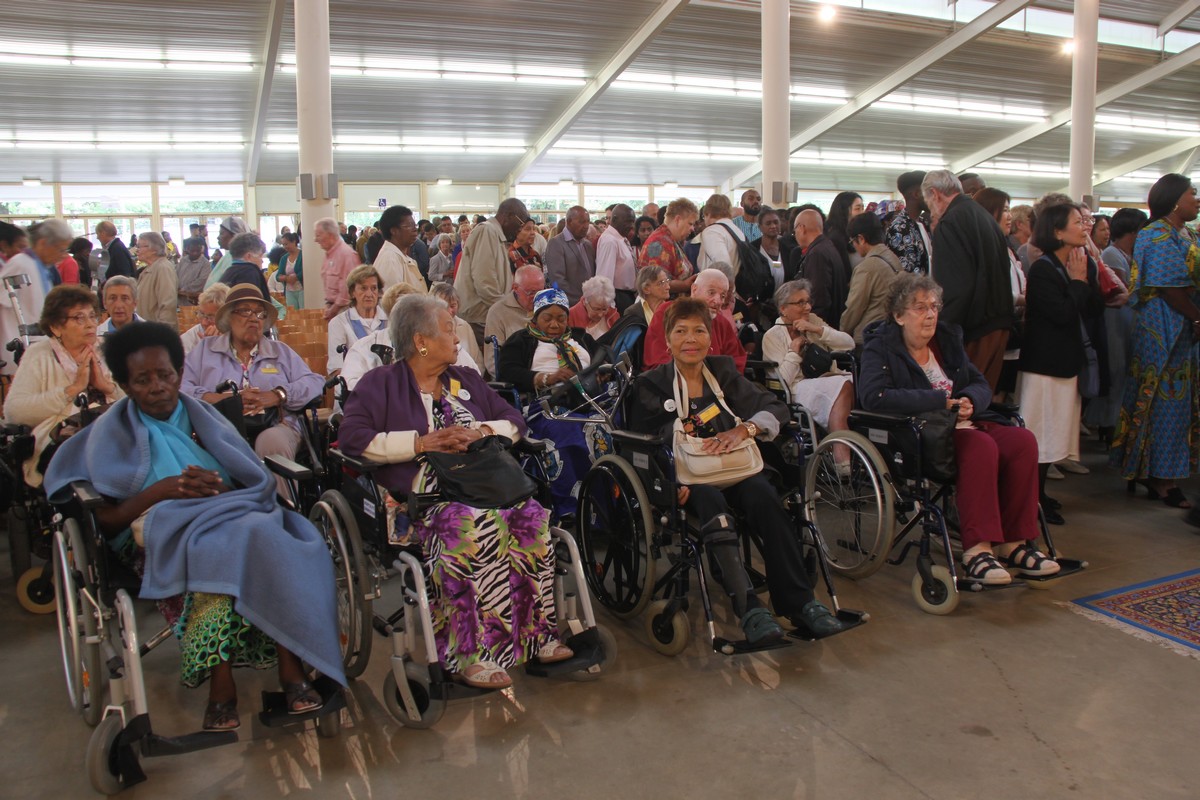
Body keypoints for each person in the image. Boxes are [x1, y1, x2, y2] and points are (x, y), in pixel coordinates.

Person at [44, 322, 345, 731]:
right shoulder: (112, 433)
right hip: (160, 531)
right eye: (142, 380)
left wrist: (219, 488)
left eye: (165, 375)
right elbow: (108, 521)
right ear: (125, 385)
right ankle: (225, 687)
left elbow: (250, 482)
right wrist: (165, 489)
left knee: (277, 541)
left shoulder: (205, 419)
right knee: (219, 555)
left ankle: (290, 667)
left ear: (179, 373)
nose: (157, 386)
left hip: (230, 515)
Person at [339, 293, 574, 689]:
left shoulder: (465, 379)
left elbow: (514, 420)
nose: (457, 337)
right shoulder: (380, 383)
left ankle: (536, 636)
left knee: (532, 522)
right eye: (449, 329)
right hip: (423, 497)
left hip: (484, 484)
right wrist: (420, 443)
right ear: (421, 341)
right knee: (470, 527)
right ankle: (470, 652)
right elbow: (352, 438)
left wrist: (481, 431)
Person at [628, 297, 843, 642]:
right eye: (680, 331)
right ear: (667, 340)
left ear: (710, 338)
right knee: (712, 503)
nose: (690, 339)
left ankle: (799, 602)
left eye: (699, 331)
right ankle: (750, 609)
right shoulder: (651, 385)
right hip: (688, 478)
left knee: (765, 498)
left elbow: (773, 407)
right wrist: (666, 485)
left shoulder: (723, 372)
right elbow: (641, 444)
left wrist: (745, 429)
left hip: (735, 468)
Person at [859, 274, 1059, 584]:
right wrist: (940, 400)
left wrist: (969, 401)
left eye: (934, 306)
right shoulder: (880, 348)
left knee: (1022, 441)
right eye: (920, 308)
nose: (930, 314)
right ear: (898, 315)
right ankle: (977, 549)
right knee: (980, 446)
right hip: (921, 434)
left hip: (965, 423)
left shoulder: (946, 340)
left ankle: (1014, 543)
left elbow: (979, 382)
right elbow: (874, 397)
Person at [181, 284, 324, 490]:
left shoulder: (279, 351)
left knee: (271, 442)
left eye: (259, 313)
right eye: (245, 311)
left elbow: (314, 382)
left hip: (275, 424)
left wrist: (278, 395)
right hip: (220, 426)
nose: (254, 318)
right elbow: (181, 387)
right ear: (229, 317)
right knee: (221, 445)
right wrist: (223, 400)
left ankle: (278, 507)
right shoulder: (206, 350)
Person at [1113, 174, 1200, 509]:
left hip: (1184, 327)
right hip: (1163, 328)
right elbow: (1168, 285)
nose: (1197, 199)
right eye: (1192, 193)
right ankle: (1160, 478)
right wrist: (1196, 317)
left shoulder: (1188, 233)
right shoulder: (1155, 233)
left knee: (1181, 403)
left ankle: (1164, 472)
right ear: (1175, 200)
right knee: (1164, 402)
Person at [1017, 203, 1104, 523]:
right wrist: (1077, 282)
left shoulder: (1080, 261)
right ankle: (1032, 499)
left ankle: (1040, 495)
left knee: (1055, 434)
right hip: (1045, 366)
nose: (1085, 227)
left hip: (1067, 363)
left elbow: (1094, 309)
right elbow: (1062, 314)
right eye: (1078, 222)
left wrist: (1088, 274)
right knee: (1040, 433)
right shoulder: (1043, 269)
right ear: (1057, 231)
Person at [3, 285, 121, 485]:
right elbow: (13, 411)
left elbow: (134, 402)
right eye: (79, 318)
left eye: (92, 316)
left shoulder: (107, 351)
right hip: (61, 441)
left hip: (111, 432)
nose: (90, 324)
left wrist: (106, 387)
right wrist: (72, 390)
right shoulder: (39, 355)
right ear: (56, 327)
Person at [497, 288, 597, 518]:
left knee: (609, 426)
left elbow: (604, 359)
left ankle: (608, 500)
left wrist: (599, 375)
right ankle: (571, 506)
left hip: (587, 400)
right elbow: (507, 371)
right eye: (547, 318)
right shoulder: (521, 341)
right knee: (569, 432)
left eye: (561, 318)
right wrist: (545, 378)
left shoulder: (581, 338)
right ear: (535, 318)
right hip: (546, 403)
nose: (554, 324)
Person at [921, 170, 1013, 390]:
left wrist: (940, 333)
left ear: (935, 194)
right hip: (999, 322)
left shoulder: (951, 222)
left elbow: (954, 287)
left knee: (965, 399)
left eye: (928, 202)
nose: (931, 209)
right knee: (983, 396)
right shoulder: (983, 216)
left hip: (975, 328)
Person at [761, 280, 855, 461]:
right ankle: (841, 456)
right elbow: (783, 381)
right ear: (783, 309)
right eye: (800, 303)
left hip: (824, 378)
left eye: (808, 301)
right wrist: (794, 352)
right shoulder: (772, 336)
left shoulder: (813, 321)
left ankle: (842, 445)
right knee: (843, 385)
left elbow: (849, 344)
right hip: (796, 387)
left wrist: (817, 330)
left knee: (857, 382)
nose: (808, 307)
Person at [643, 269, 748, 372]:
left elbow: (736, 361)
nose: (717, 301)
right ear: (694, 290)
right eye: (711, 293)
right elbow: (658, 359)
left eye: (723, 296)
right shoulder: (668, 312)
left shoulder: (721, 323)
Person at [0, 219, 70, 372]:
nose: (63, 256)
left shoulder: (43, 268)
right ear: (43, 243)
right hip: (18, 347)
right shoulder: (20, 264)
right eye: (60, 250)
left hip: (38, 345)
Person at [455, 199, 531, 337]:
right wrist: (506, 310)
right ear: (508, 216)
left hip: (488, 313)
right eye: (520, 224)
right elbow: (484, 281)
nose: (520, 229)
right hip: (479, 317)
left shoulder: (496, 235)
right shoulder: (487, 231)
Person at [840, 212, 902, 345]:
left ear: (861, 239)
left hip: (870, 337)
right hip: (891, 331)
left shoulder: (867, 268)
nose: (854, 246)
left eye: (852, 241)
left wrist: (841, 332)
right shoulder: (892, 257)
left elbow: (854, 308)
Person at [483, 264, 544, 377]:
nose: (536, 298)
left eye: (540, 292)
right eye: (531, 293)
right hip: (515, 378)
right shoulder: (498, 312)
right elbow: (492, 362)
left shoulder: (547, 307)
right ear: (515, 288)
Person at [790, 209, 847, 328]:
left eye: (794, 231)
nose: (795, 236)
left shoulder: (817, 254)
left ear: (802, 228)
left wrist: (811, 329)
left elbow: (818, 298)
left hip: (822, 327)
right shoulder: (827, 247)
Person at [327, 265, 388, 374]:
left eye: (374, 288)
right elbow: (336, 369)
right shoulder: (338, 323)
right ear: (352, 293)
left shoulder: (391, 321)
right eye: (363, 288)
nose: (369, 294)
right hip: (354, 382)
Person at [638, 197, 699, 296]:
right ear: (678, 220)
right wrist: (684, 285)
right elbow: (657, 283)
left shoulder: (670, 239)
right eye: (690, 223)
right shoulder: (659, 243)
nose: (692, 228)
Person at [544, 205, 595, 305]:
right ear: (569, 221)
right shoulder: (556, 243)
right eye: (581, 222)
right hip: (570, 304)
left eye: (588, 221)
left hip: (590, 303)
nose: (586, 226)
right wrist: (580, 301)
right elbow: (557, 280)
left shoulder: (588, 245)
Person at [886, 171, 932, 276]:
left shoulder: (923, 222)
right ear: (917, 194)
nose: (933, 196)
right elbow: (907, 273)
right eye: (929, 192)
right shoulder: (899, 228)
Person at [314, 217, 360, 320]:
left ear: (330, 235)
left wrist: (334, 309)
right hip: (334, 310)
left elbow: (348, 289)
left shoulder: (347, 255)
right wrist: (328, 306)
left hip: (345, 312)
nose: (315, 240)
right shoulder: (329, 255)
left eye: (318, 235)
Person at [430, 281, 484, 369]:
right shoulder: (429, 329)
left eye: (453, 306)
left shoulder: (464, 326)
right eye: (444, 306)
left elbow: (477, 360)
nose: (449, 311)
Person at [373, 205, 425, 293]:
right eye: (409, 226)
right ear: (393, 231)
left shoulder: (401, 256)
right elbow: (392, 298)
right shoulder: (390, 259)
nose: (415, 230)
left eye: (415, 225)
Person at [596, 204, 638, 312]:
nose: (631, 226)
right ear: (614, 219)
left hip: (627, 297)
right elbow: (604, 277)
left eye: (633, 222)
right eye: (628, 221)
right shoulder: (609, 241)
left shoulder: (621, 238)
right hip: (617, 299)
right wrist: (610, 307)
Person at [134, 232, 179, 330]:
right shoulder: (149, 269)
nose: (137, 250)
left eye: (139, 246)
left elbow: (168, 304)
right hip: (146, 330)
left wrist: (162, 332)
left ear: (154, 249)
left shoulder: (163, 268)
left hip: (158, 333)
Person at [750, 208, 795, 291]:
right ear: (760, 227)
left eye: (776, 222)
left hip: (784, 296)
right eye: (768, 223)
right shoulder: (752, 249)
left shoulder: (788, 249)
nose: (773, 226)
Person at [219, 233, 272, 302]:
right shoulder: (250, 272)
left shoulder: (228, 272)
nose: (262, 261)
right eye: (260, 256)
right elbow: (251, 304)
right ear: (249, 256)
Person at [697, 193, 744, 273]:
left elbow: (723, 266)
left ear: (708, 213)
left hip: (719, 280)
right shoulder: (737, 231)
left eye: (704, 217)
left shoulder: (712, 231)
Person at [180, 283, 230, 354]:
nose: (204, 322)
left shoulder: (239, 335)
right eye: (201, 314)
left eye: (211, 317)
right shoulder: (192, 336)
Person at [203, 216, 250, 289]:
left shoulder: (238, 259)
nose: (218, 237)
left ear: (234, 236)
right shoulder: (228, 256)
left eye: (221, 233)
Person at [824, 191, 864, 276]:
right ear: (844, 211)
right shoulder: (836, 238)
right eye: (857, 209)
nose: (862, 212)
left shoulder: (855, 233)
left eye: (862, 208)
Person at [176, 237, 211, 306]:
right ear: (188, 249)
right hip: (179, 299)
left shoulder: (205, 263)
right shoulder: (183, 260)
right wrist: (176, 287)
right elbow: (176, 275)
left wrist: (184, 290)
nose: (195, 253)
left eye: (198, 251)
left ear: (201, 249)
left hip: (193, 300)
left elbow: (202, 280)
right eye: (192, 251)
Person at [277, 232, 303, 309]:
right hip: (289, 291)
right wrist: (286, 278)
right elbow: (278, 276)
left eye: (286, 244)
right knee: (292, 312)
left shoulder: (303, 255)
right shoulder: (284, 258)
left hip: (302, 289)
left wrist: (296, 277)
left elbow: (306, 271)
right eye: (283, 245)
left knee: (303, 311)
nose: (285, 247)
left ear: (294, 242)